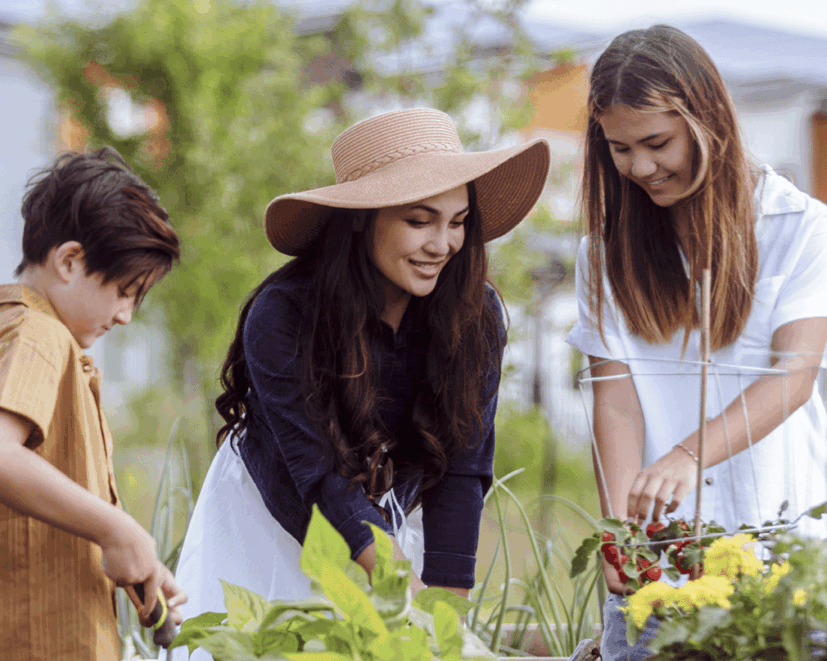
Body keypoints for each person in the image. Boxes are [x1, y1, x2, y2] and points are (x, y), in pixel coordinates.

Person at [168, 108, 550, 658]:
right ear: (360, 219)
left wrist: (445, 621)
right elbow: (321, 479)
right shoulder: (283, 315)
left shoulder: (476, 314)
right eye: (420, 221)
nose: (443, 244)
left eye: (458, 221)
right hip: (276, 512)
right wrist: (401, 593)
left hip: (389, 518)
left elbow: (463, 469)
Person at [564, 25, 827, 660]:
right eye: (619, 149)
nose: (640, 167)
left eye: (657, 143)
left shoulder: (800, 228)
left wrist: (686, 457)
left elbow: (793, 377)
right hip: (664, 571)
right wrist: (623, 534)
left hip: (789, 559)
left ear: (707, 119)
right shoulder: (604, 255)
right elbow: (615, 402)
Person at [0, 147, 187, 660]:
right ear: (70, 261)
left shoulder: (13, 334)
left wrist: (127, 555)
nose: (125, 316)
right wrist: (115, 527)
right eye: (124, 291)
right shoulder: (38, 334)